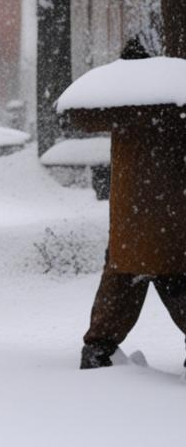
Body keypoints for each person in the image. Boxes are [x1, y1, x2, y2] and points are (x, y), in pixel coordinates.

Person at [72, 36, 186, 369]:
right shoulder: (171, 98)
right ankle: (99, 349)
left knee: (119, 291)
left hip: (130, 224)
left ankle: (97, 352)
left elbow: (79, 118)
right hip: (173, 219)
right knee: (177, 284)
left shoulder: (120, 105)